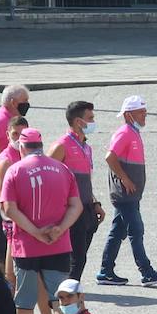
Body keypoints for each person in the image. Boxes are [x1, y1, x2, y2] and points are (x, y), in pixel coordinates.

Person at [1, 127, 84, 314]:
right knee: (60, 299)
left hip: (26, 247)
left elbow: (9, 209)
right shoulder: (62, 169)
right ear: (41, 145)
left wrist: (36, 232)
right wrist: (59, 229)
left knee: (24, 301)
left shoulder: (14, 170)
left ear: (21, 147)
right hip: (58, 245)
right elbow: (76, 205)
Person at [0, 115, 54, 314]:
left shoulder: (26, 159)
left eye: (22, 134)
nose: (19, 139)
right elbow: (7, 204)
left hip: (28, 228)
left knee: (30, 279)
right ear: (7, 135)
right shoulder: (6, 162)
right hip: (16, 229)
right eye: (14, 135)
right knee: (14, 280)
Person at [97, 95, 157, 288]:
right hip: (124, 194)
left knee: (117, 231)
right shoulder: (125, 132)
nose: (145, 115)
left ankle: (105, 271)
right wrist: (125, 178)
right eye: (141, 112)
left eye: (145, 111)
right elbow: (110, 157)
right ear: (129, 115)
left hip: (130, 194)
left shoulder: (132, 132)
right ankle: (146, 272)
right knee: (136, 230)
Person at [47, 100, 107, 282]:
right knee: (77, 258)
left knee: (80, 257)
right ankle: (68, 293)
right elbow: (48, 177)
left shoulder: (86, 147)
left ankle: (68, 288)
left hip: (87, 208)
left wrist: (95, 202)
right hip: (72, 210)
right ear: (78, 122)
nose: (93, 121)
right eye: (90, 118)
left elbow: (85, 180)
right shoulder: (61, 146)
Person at [0, 84, 31, 263]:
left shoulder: (14, 117)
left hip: (12, 171)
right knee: (2, 226)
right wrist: (1, 158)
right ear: (12, 102)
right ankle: (1, 270)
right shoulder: (2, 117)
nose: (27, 104)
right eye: (24, 101)